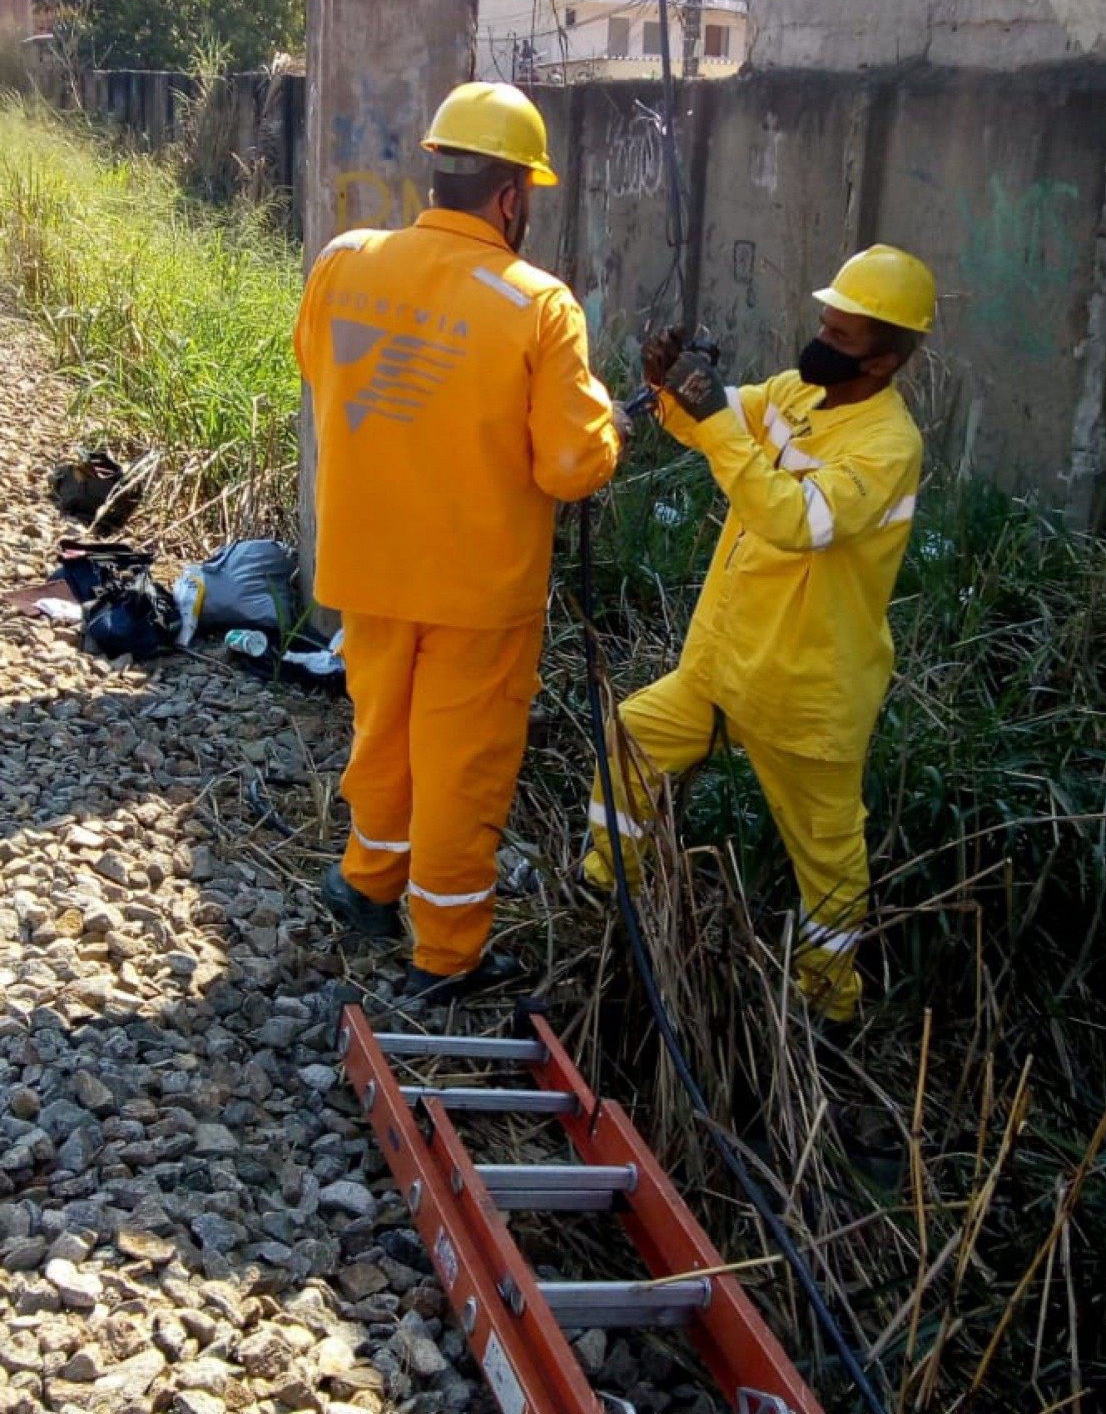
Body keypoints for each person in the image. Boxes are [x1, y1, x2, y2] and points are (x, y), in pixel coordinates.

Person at [295, 81, 624, 1007]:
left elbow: (320, 364)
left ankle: (367, 883)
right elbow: (568, 465)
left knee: (382, 731)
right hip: (477, 589)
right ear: (514, 196)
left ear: (437, 170)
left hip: (365, 564)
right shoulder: (539, 306)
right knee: (460, 765)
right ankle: (446, 952)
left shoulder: (346, 260)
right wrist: (609, 433)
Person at [584, 245, 936, 1027]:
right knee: (634, 734)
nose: (820, 341)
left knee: (830, 867)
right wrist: (667, 384)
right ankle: (611, 887)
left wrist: (713, 424)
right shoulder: (797, 395)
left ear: (882, 361)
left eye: (840, 337)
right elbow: (711, 422)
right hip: (724, 666)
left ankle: (828, 1007)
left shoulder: (887, 447)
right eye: (824, 323)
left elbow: (792, 520)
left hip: (806, 693)